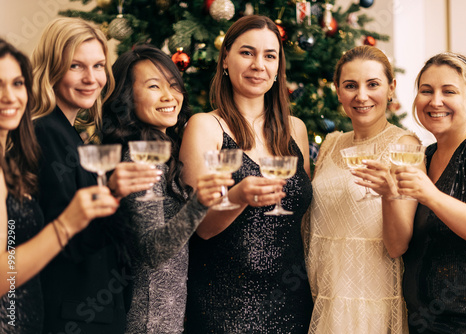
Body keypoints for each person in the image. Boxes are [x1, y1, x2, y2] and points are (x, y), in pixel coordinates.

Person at [179, 14, 314, 333]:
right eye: (246, 52)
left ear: (279, 67)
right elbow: (200, 228)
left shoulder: (296, 130)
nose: (258, 64)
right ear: (225, 58)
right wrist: (237, 198)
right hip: (225, 305)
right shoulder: (205, 126)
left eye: (270, 56)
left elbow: (304, 218)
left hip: (292, 300)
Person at [30, 17, 159, 333]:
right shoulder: (48, 131)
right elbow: (65, 242)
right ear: (50, 69)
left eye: (99, 65)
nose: (92, 78)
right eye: (76, 66)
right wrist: (113, 194)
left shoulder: (67, 133)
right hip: (72, 317)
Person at [100, 44, 234, 333]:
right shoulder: (143, 157)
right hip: (148, 320)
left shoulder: (165, 150)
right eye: (153, 86)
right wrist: (200, 203)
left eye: (174, 85)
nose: (168, 96)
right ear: (126, 97)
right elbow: (153, 250)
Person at [0, 39, 119, 333]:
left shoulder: (9, 162)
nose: (9, 96)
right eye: (75, 65)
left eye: (17, 83)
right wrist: (65, 225)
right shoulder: (48, 131)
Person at [303, 45, 421, 333]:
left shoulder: (405, 146)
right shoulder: (330, 143)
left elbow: (398, 245)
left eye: (373, 84)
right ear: (338, 91)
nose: (361, 96)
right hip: (323, 293)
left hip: (371, 297)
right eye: (350, 86)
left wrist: (388, 194)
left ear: (391, 88)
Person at [388, 52, 466, 332]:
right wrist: (388, 192)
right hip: (422, 323)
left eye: (448, 91)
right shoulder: (423, 156)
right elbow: (395, 247)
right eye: (426, 91)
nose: (435, 101)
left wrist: (431, 195)